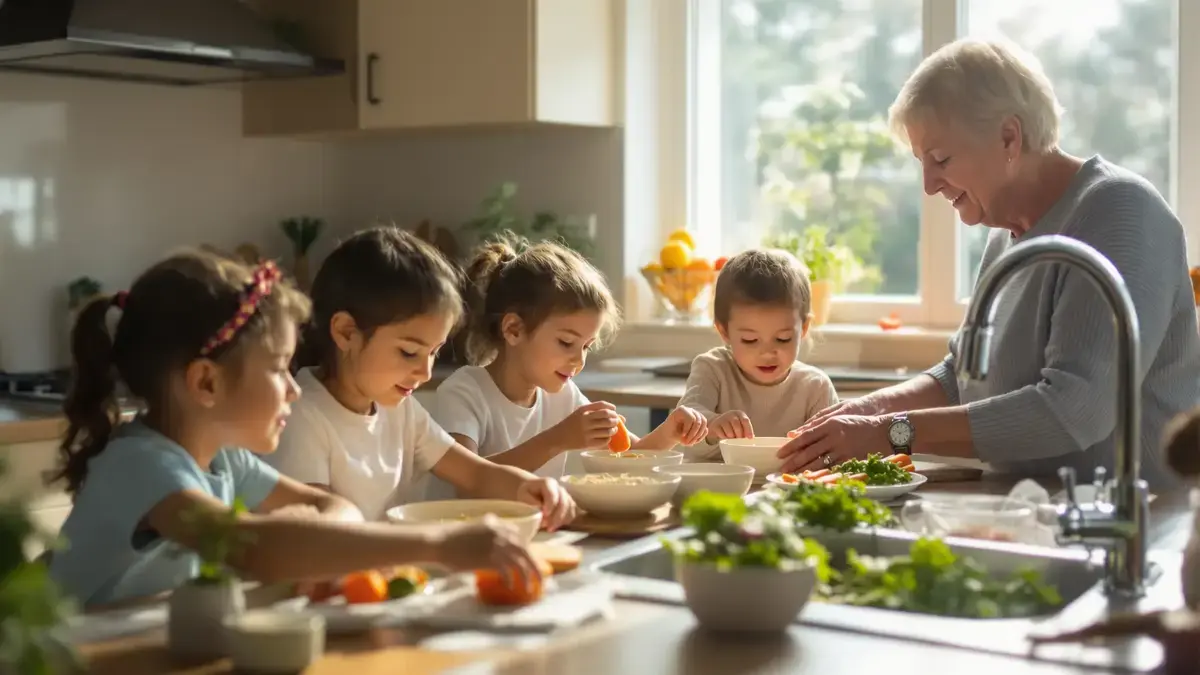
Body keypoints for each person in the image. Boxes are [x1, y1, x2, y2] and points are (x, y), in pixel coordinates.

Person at [778, 37, 1200, 491]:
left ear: (1008, 138)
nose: (928, 185)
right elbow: (963, 377)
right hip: (1036, 513)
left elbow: (1076, 408)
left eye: (940, 159)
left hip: (1143, 521)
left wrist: (890, 431)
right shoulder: (1007, 233)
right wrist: (867, 410)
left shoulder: (1122, 213)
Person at [49, 252, 542, 608]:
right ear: (206, 381)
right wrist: (436, 547)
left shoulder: (225, 461)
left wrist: (321, 551)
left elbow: (335, 508)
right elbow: (252, 546)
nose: (293, 387)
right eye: (279, 368)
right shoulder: (143, 464)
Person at [267, 227, 577, 525]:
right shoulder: (303, 418)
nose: (425, 372)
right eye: (408, 352)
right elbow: (320, 533)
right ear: (347, 332)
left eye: (433, 353)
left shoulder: (401, 410)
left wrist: (529, 487)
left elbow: (476, 473)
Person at [427, 237, 707, 498]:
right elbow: (467, 487)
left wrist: (669, 432)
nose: (579, 360)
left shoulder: (563, 395)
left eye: (586, 346)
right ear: (513, 329)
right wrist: (557, 440)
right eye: (566, 342)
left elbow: (630, 456)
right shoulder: (464, 392)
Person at [677, 249, 837, 459]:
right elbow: (685, 419)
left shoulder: (815, 387)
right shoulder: (712, 369)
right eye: (750, 340)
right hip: (717, 488)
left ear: (804, 328)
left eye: (783, 338)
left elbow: (834, 448)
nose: (767, 353)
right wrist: (713, 424)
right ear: (724, 331)